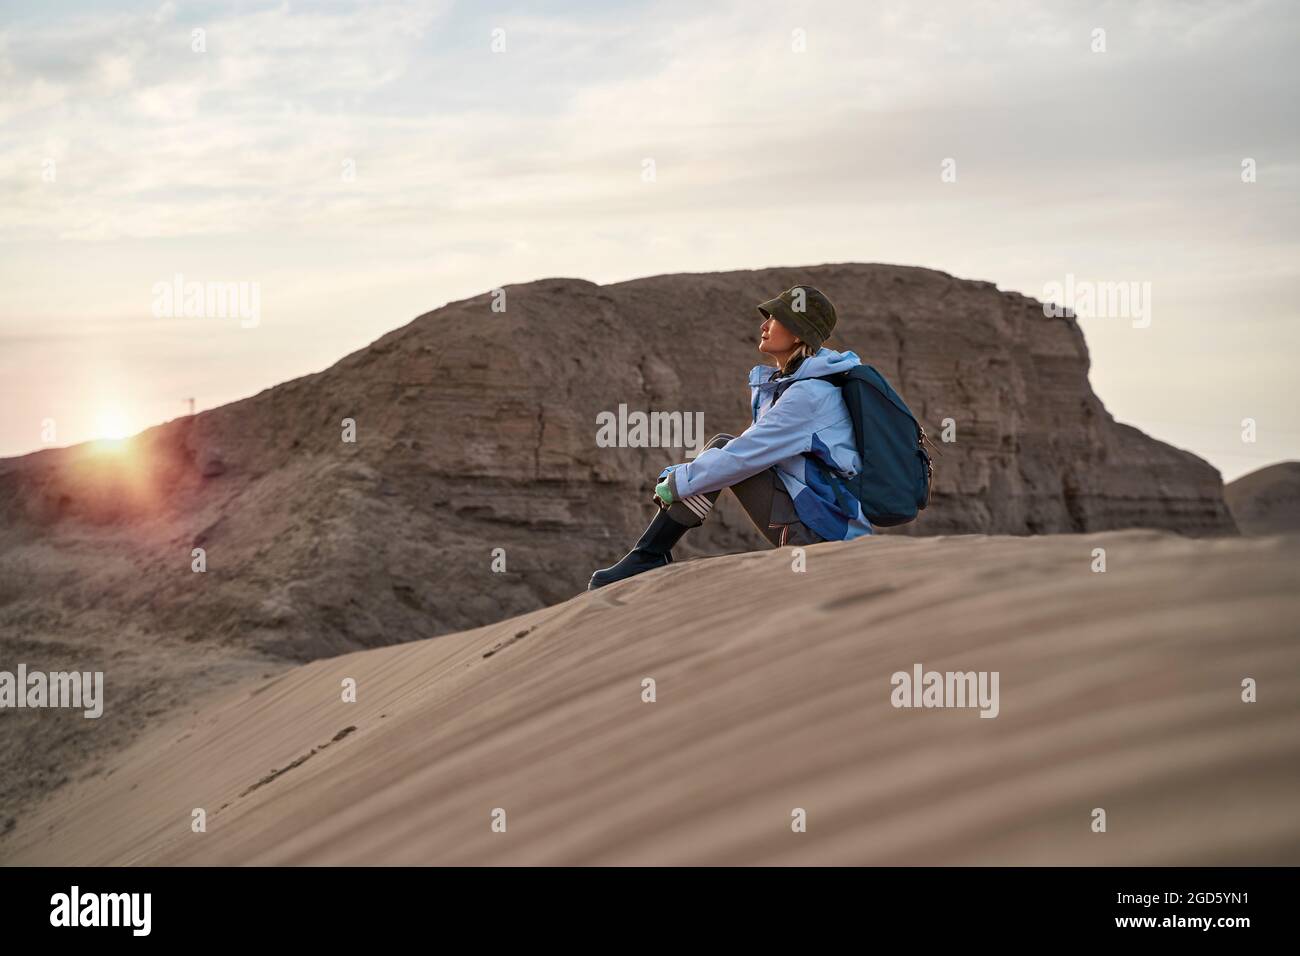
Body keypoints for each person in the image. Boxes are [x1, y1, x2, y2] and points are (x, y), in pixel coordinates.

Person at [588, 285, 873, 590]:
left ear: (798, 334)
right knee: (721, 452)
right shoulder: (799, 387)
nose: (763, 326)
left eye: (775, 319)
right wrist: (682, 478)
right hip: (826, 526)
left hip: (825, 540)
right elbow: (746, 453)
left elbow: (741, 457)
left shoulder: (809, 395)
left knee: (724, 449)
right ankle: (648, 554)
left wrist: (675, 483)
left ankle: (648, 554)